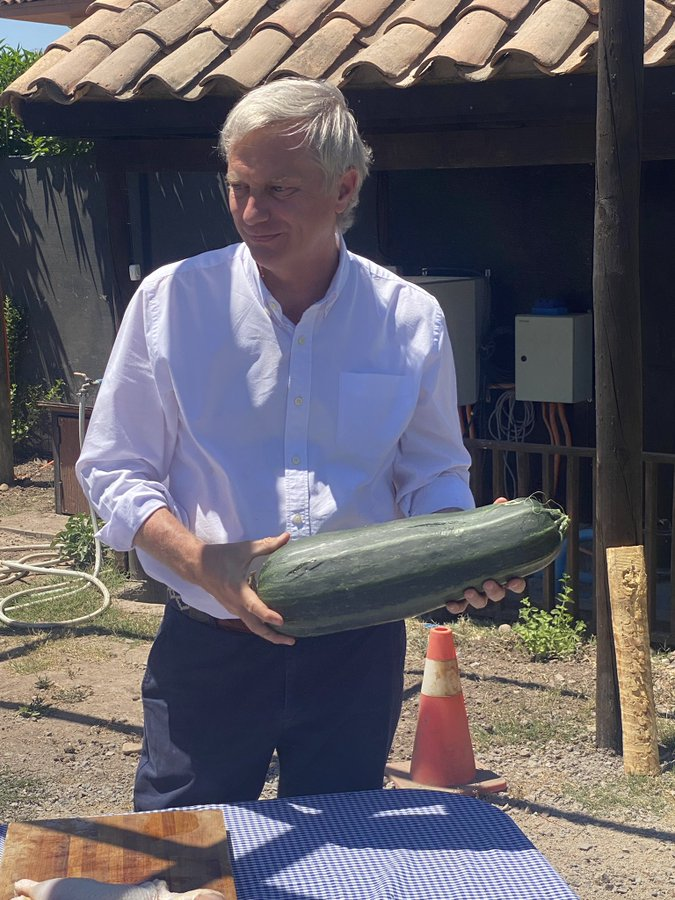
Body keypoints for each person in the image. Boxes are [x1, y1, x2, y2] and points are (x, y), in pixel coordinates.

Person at [76, 77, 524, 811]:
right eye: (238, 187)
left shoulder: (409, 318)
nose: (253, 212)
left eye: (279, 189)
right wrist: (199, 561)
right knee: (185, 848)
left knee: (343, 850)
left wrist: (462, 552)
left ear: (343, 187)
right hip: (208, 644)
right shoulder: (170, 303)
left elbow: (432, 473)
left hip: (357, 646)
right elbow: (114, 466)